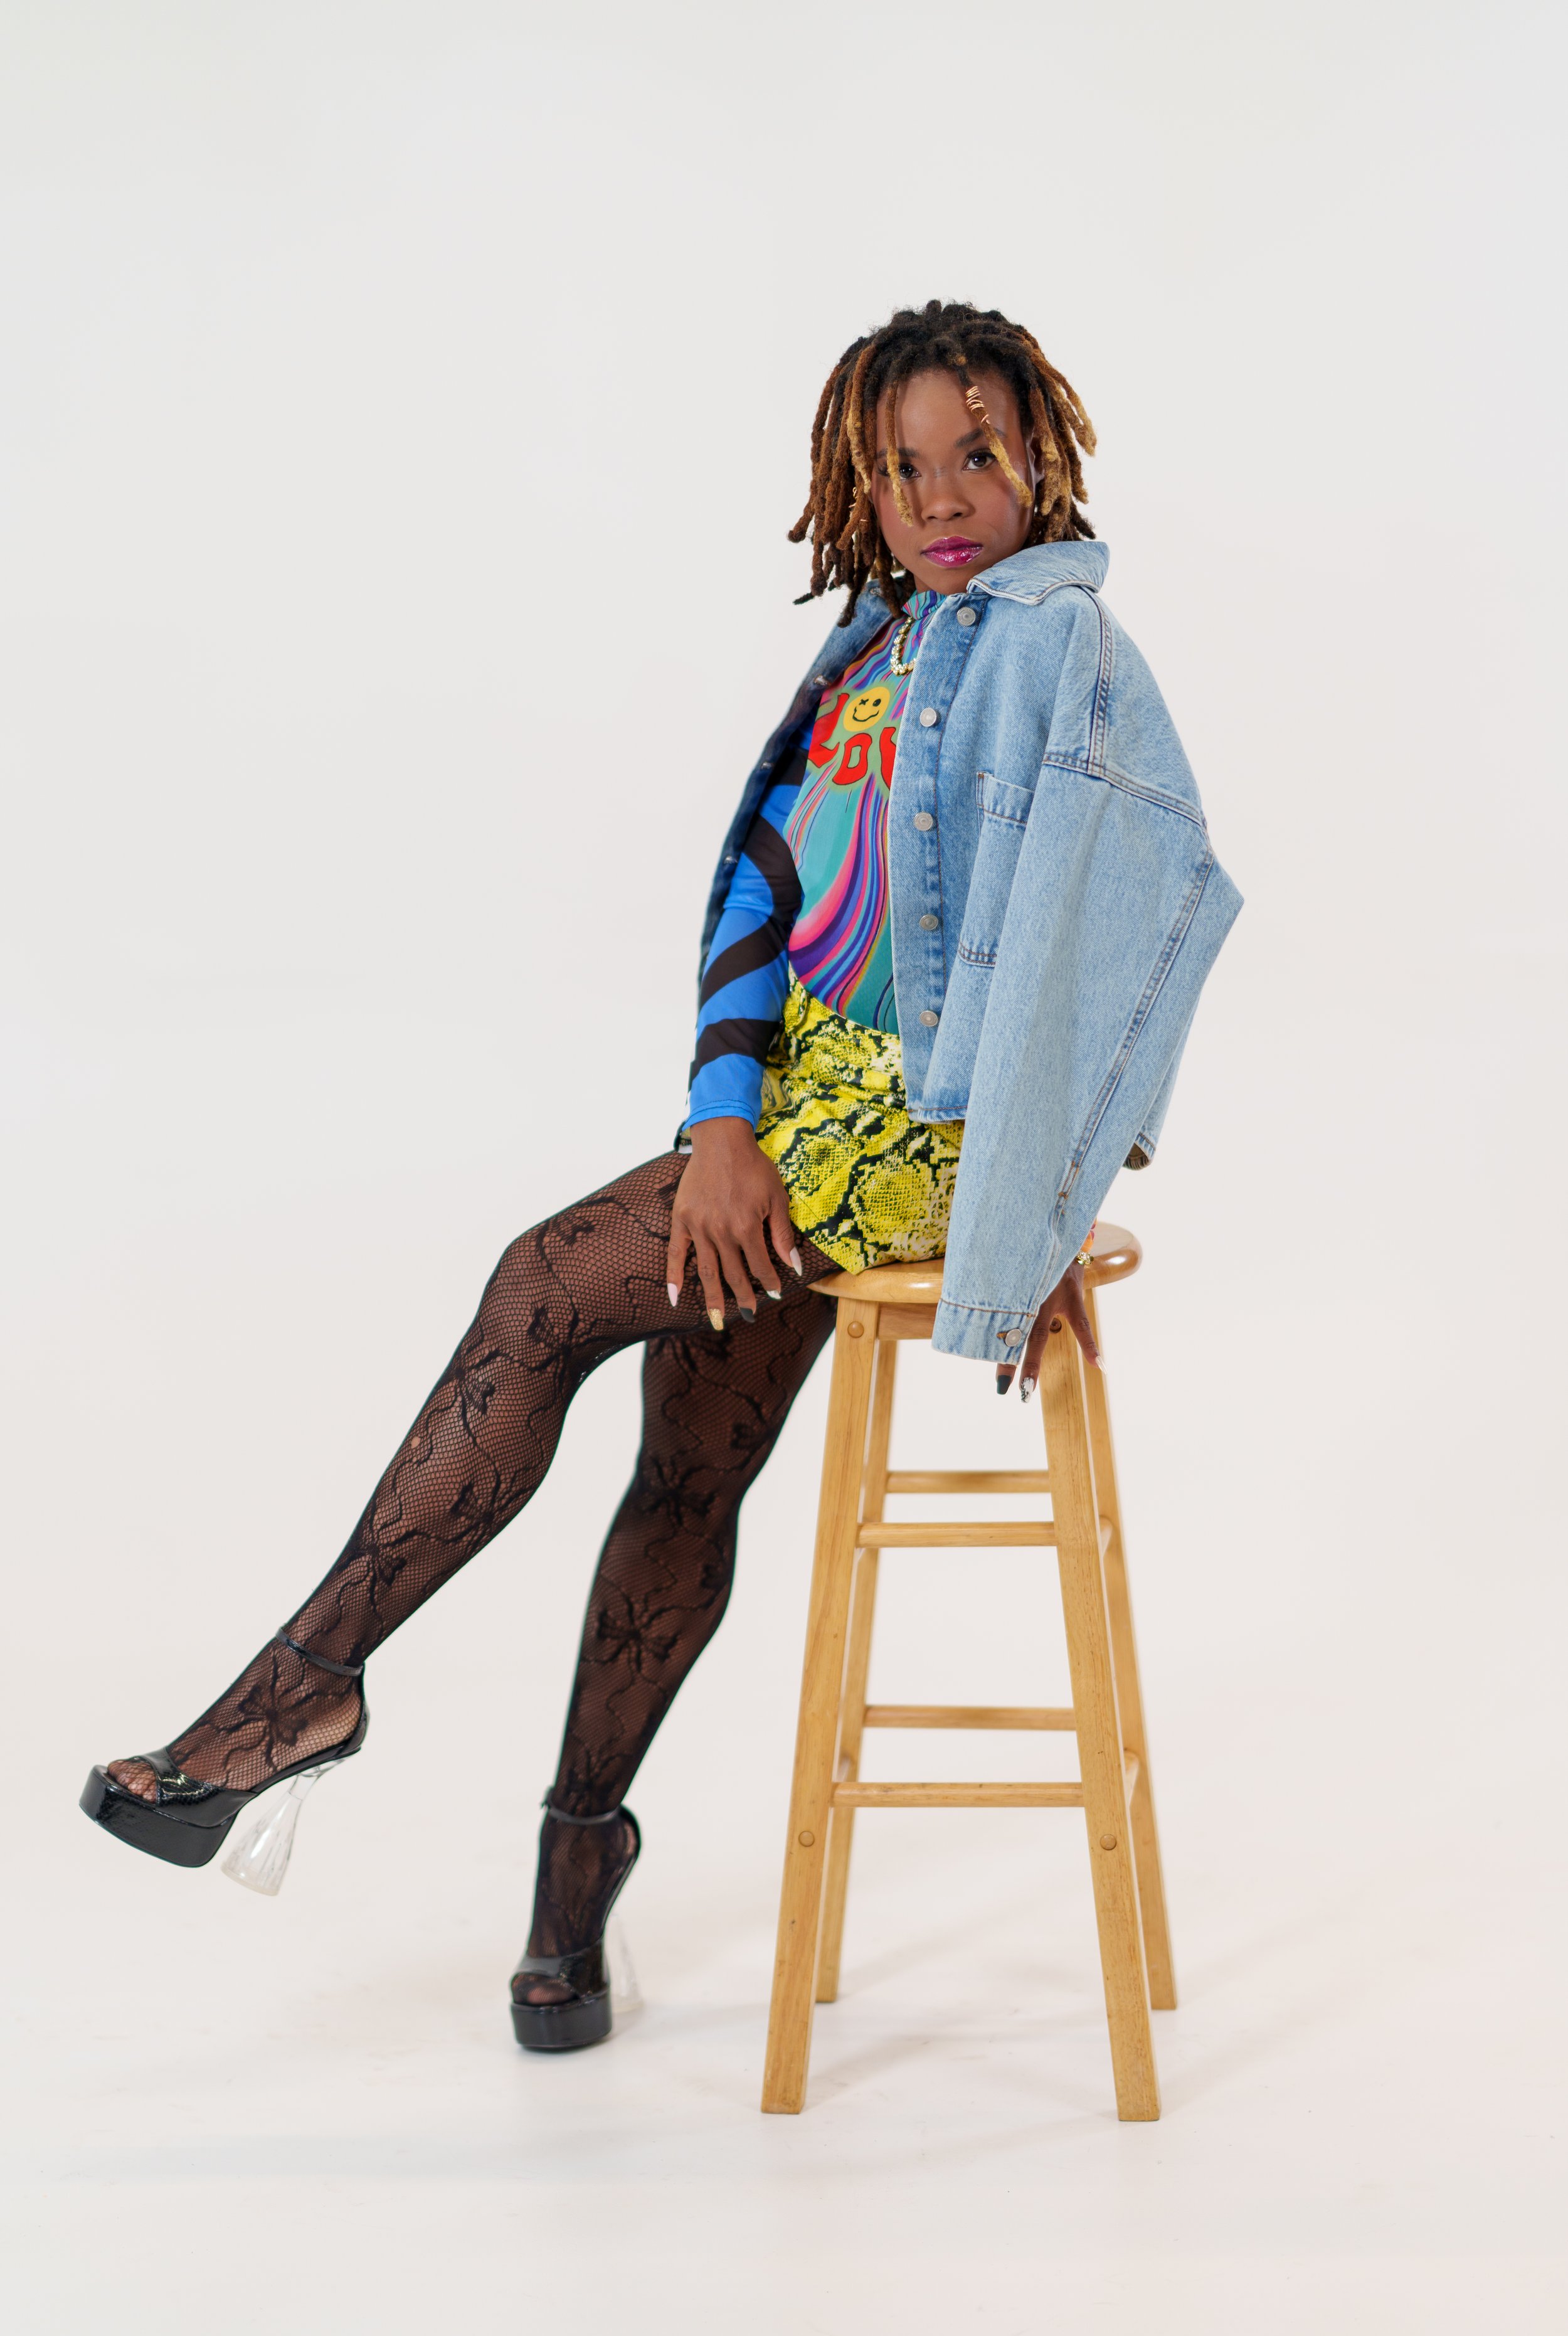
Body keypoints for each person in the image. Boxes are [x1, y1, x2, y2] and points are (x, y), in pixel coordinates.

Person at [81, 299, 1241, 2052]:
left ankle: (296, 1697)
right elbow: (755, 898)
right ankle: (572, 1892)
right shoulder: (870, 645)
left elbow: (1122, 933)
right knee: (684, 1481)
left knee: (543, 1286)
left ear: (1042, 457)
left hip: (919, 1131)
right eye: (904, 463)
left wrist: (1031, 1213)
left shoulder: (1055, 650)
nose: (944, 495)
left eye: (979, 455)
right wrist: (719, 1128)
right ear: (856, 479)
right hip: (796, 1124)